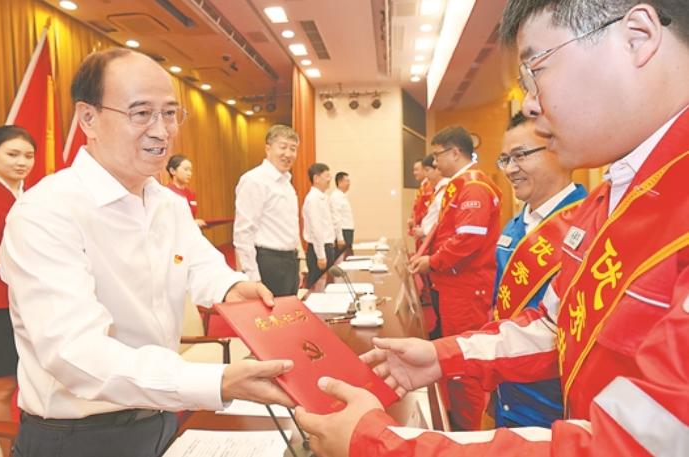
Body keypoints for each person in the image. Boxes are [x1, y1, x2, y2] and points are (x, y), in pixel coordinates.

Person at [295, 1, 689, 455]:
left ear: (637, 36)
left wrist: (380, 443)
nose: (530, 104)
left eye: (536, 70)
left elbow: (634, 444)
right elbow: (555, 326)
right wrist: (443, 356)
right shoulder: (612, 197)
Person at [0, 48, 294, 457]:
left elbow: (201, 264)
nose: (162, 131)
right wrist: (215, 382)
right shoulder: (45, 211)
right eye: (141, 113)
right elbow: (75, 354)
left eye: (170, 113)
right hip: (78, 437)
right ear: (88, 118)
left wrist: (232, 288)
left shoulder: (166, 203)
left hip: (159, 418)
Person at [492, 112, 587, 428]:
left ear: (558, 148)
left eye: (520, 156)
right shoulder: (512, 227)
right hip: (507, 391)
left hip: (553, 409)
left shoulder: (591, 223)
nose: (510, 169)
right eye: (505, 159)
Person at [408, 125, 502, 430]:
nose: (435, 162)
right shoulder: (459, 184)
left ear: (455, 152)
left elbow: (467, 239)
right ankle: (457, 417)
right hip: (454, 284)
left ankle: (467, 429)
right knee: (455, 353)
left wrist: (433, 261)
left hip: (466, 287)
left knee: (465, 358)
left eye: (438, 155)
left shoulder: (473, 187)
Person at [0, 125, 35, 456]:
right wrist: (11, 256)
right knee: (1, 387)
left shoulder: (32, 194)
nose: (22, 162)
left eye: (28, 155)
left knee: (29, 381)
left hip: (29, 300)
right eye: (12, 154)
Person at [233, 125, 303, 297]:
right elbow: (243, 232)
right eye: (283, 147)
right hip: (267, 263)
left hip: (289, 262)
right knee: (271, 314)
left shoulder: (286, 183)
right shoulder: (254, 180)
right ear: (268, 149)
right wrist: (253, 279)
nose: (288, 154)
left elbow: (291, 227)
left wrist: (298, 265)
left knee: (289, 312)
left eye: (293, 149)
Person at [410, 154, 446, 340]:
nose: (425, 173)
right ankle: (439, 327)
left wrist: (423, 230)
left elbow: (438, 222)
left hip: (437, 246)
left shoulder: (445, 189)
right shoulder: (435, 189)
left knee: (438, 291)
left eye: (428, 169)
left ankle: (441, 328)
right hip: (429, 241)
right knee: (434, 288)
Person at [303, 163, 335, 286]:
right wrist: (321, 255)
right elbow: (316, 228)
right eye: (326, 176)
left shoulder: (323, 197)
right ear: (316, 178)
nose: (329, 179)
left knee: (327, 285)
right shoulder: (313, 199)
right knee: (317, 286)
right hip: (319, 249)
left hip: (326, 247)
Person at [166, 154, 207, 228]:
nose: (189, 173)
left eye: (190, 170)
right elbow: (168, 221)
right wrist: (192, 223)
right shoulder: (166, 193)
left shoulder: (191, 193)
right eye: (185, 169)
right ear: (172, 171)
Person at [329, 171, 354, 256]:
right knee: (342, 259)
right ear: (340, 182)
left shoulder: (342, 196)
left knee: (348, 256)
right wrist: (340, 238)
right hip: (343, 232)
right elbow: (336, 218)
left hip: (347, 231)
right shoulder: (336, 197)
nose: (349, 183)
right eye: (347, 181)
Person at [407, 158, 432, 242]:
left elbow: (426, 210)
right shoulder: (423, 186)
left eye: (417, 170)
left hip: (424, 230)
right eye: (414, 170)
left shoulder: (429, 187)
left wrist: (415, 221)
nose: (414, 173)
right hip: (419, 228)